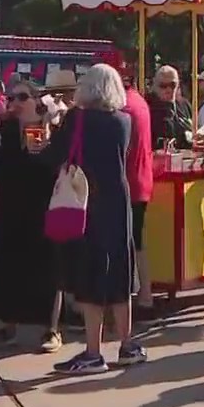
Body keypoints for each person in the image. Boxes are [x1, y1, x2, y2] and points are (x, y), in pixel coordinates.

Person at [46, 64, 143, 374]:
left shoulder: (78, 119)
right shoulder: (124, 121)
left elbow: (55, 156)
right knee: (120, 273)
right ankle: (128, 344)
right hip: (119, 201)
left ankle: (92, 351)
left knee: (92, 279)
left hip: (88, 202)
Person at [0, 82, 64, 353]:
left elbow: (39, 162)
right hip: (9, 205)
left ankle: (50, 329)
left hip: (39, 205)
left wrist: (35, 124)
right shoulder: (4, 127)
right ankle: (9, 326)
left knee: (47, 268)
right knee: (8, 266)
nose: (16, 102)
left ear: (35, 100)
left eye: (22, 97)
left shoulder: (41, 128)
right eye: (12, 97)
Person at [116, 59, 156, 319]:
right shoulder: (139, 102)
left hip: (129, 181)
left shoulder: (125, 108)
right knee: (137, 242)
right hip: (141, 179)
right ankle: (145, 296)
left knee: (128, 243)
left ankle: (136, 297)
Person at [146, 65, 193, 150]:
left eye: (173, 85)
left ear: (178, 84)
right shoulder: (147, 107)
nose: (169, 90)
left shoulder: (184, 105)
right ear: (155, 86)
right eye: (163, 86)